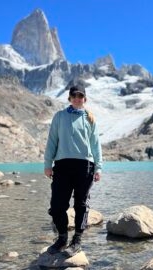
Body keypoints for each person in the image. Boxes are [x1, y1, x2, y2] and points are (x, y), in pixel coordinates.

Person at [44, 83, 102, 257]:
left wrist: (98, 167)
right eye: (74, 96)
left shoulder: (90, 118)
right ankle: (62, 238)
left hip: (85, 166)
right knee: (56, 206)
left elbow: (96, 145)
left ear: (85, 99)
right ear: (69, 98)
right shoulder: (59, 116)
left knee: (81, 205)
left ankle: (77, 240)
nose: (77, 99)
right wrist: (48, 164)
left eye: (81, 96)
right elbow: (52, 140)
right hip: (62, 165)